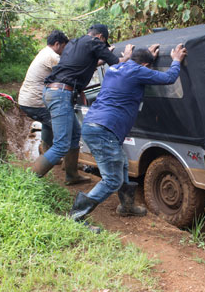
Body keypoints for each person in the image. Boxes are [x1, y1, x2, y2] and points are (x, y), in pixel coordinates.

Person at [69, 43, 188, 230]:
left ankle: (127, 206)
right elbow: (169, 78)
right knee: (112, 179)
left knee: (122, 163)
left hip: (94, 125)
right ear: (146, 66)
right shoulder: (138, 71)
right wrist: (176, 60)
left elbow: (128, 62)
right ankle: (76, 216)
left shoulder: (114, 68)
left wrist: (133, 55)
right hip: (105, 130)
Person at [30, 24, 134, 186]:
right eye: (103, 43)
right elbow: (116, 64)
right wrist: (126, 56)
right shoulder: (95, 43)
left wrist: (101, 57)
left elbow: (83, 65)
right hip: (61, 94)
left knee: (74, 135)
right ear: (101, 37)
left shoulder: (73, 44)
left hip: (52, 91)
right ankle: (27, 179)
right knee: (61, 145)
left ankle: (72, 176)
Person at [18, 30, 69, 152]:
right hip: (34, 102)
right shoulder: (53, 56)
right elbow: (68, 72)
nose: (64, 51)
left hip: (26, 100)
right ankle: (51, 159)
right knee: (63, 128)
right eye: (63, 47)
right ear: (57, 44)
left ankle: (45, 150)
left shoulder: (44, 52)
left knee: (48, 123)